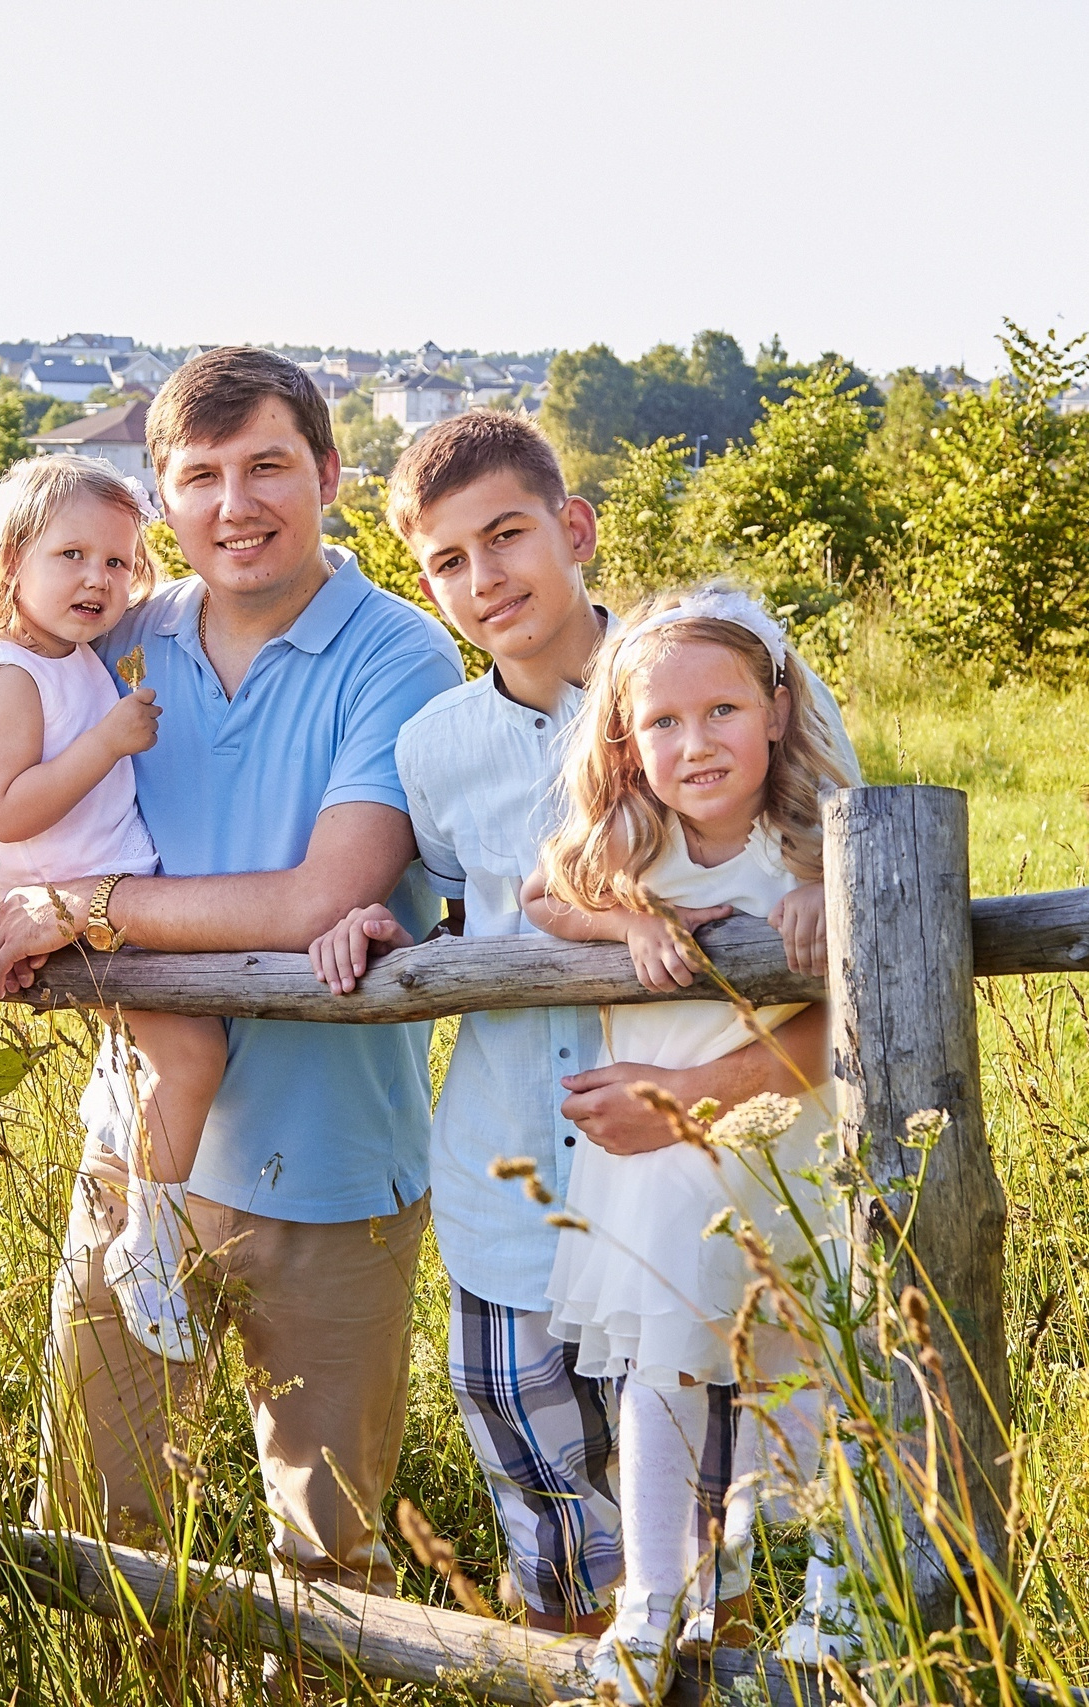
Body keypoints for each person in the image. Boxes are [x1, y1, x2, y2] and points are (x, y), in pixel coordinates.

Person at [307, 412, 860, 1641]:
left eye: (505, 535)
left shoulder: (714, 677)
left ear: (572, 527)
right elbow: (470, 910)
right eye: (447, 561)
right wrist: (391, 938)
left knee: (714, 1536)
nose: (483, 577)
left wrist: (701, 1092)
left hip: (707, 1187)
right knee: (551, 1538)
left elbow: (843, 925)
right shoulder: (432, 747)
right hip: (508, 1181)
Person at [0, 347, 464, 1591]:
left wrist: (80, 910)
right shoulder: (117, 641)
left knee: (327, 1564)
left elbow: (322, 895)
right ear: (161, 497)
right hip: (136, 1152)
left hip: (332, 1172)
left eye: (265, 467)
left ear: (328, 474)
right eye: (199, 475)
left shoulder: (398, 657)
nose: (233, 504)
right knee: (96, 1538)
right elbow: (22, 808)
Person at [525, 584, 855, 1698]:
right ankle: (648, 1604)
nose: (693, 742)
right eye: (660, 724)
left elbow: (825, 1031)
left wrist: (820, 895)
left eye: (718, 712)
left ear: (773, 709)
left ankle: (832, 1597)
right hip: (656, 1175)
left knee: (801, 1372)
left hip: (780, 1157)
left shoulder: (810, 851)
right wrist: (625, 919)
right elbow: (541, 895)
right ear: (625, 742)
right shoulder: (633, 850)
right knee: (659, 1379)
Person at [0, 454, 226, 1359]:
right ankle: (149, 1236)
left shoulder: (70, 657)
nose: (97, 579)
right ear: (13, 558)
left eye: (117, 561)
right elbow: (7, 806)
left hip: (107, 894)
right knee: (192, 1054)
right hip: (74, 905)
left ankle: (150, 1222)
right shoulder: (12, 672)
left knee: (173, 1059)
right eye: (71, 556)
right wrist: (107, 741)